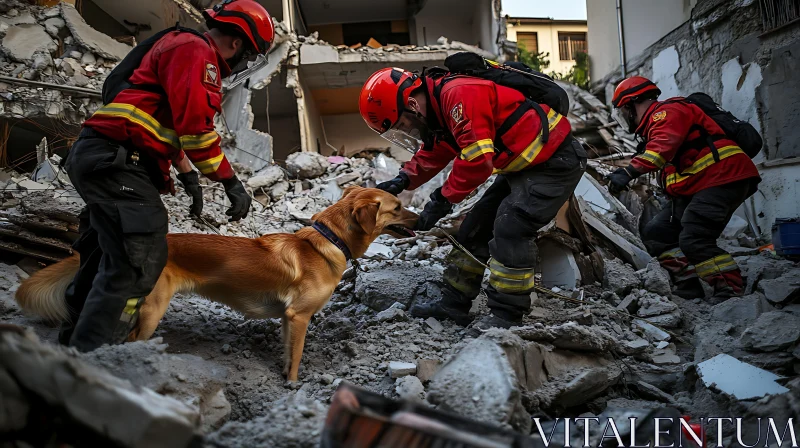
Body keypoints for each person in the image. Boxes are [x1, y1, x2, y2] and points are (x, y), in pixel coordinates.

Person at [60, 0, 274, 351]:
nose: (241, 63)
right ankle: (95, 355)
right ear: (238, 44)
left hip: (105, 157)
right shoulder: (197, 52)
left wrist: (188, 176)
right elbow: (196, 130)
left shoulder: (180, 47)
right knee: (139, 260)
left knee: (107, 252)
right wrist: (230, 182)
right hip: (117, 162)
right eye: (248, 55)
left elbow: (164, 126)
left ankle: (74, 337)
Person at [359, 66, 587, 333]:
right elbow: (438, 150)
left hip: (556, 161)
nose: (407, 130)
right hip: (523, 165)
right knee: (473, 229)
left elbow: (477, 162)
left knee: (511, 227)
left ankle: (507, 315)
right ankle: (452, 304)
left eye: (402, 124)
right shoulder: (438, 109)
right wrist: (403, 180)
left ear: (411, 104)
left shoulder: (459, 96)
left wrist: (441, 201)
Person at [606, 76, 761, 300]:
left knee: (694, 238)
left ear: (632, 104)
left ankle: (731, 289)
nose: (625, 118)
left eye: (623, 111)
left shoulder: (667, 113)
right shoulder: (654, 127)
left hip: (722, 177)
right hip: (698, 185)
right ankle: (688, 286)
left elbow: (662, 148)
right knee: (657, 233)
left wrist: (628, 172)